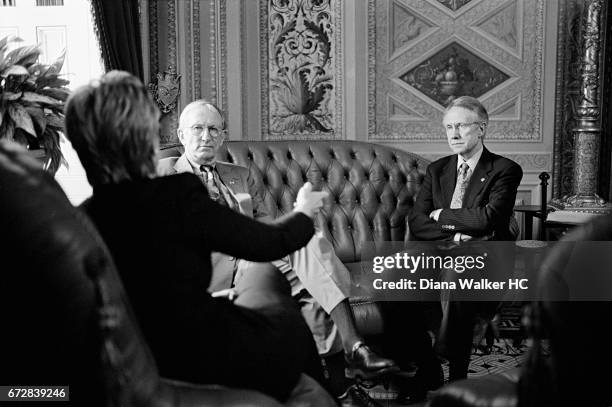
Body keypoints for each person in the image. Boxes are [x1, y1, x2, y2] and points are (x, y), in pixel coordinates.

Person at [64, 70, 334, 403]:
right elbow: (271, 242)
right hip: (205, 353)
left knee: (266, 273)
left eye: (212, 129)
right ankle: (329, 390)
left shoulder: (80, 220)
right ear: (146, 134)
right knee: (277, 296)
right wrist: (305, 209)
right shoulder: (176, 193)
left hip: (150, 357)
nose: (205, 137)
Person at [157, 99, 398, 383]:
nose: (206, 136)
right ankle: (348, 366)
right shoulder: (163, 173)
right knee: (310, 281)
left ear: (223, 136)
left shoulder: (240, 175)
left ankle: (349, 364)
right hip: (208, 271)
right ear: (182, 135)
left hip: (253, 264)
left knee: (306, 252)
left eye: (213, 129)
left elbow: (267, 230)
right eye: (197, 128)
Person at [408, 96, 523, 381]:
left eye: (461, 126)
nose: (454, 134)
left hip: (484, 254)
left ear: (481, 128)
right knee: (399, 274)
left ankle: (455, 369)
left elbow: (489, 218)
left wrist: (442, 216)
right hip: (440, 248)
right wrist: (458, 230)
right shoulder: (438, 170)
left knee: (462, 273)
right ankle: (429, 365)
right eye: (449, 127)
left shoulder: (505, 170)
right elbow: (417, 221)